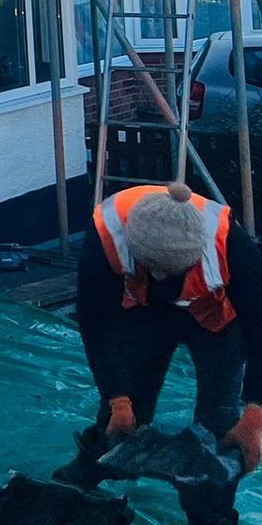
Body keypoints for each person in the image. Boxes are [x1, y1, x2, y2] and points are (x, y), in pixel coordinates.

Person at [58, 182, 262, 525]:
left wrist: (255, 409)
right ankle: (94, 464)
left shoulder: (233, 244)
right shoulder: (107, 233)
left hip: (213, 317)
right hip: (144, 309)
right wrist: (117, 399)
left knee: (219, 423)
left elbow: (260, 330)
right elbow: (96, 325)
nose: (167, 276)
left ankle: (212, 514)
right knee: (125, 410)